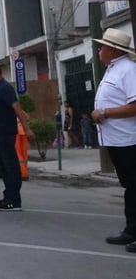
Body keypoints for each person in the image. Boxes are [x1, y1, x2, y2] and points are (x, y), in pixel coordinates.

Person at [89, 28, 136, 253]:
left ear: (113, 49)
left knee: (135, 187)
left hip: (129, 140)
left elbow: (135, 106)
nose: (99, 50)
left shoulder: (128, 70)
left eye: (102, 46)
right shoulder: (113, 69)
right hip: (117, 140)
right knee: (131, 186)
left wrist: (105, 112)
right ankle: (131, 230)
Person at [0, 61, 34, 211]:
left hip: (5, 134)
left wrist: (27, 129)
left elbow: (17, 109)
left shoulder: (5, 88)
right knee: (4, 167)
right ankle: (7, 197)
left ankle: (14, 200)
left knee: (11, 166)